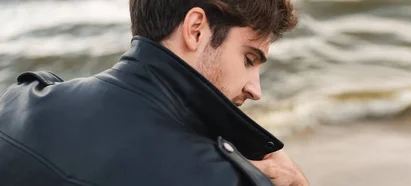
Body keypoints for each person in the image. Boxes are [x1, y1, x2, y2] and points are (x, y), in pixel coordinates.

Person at [0, 0, 308, 186]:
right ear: (196, 29)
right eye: (249, 59)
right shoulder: (222, 180)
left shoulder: (18, 104)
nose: (255, 89)